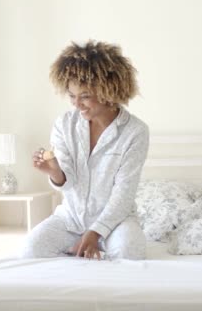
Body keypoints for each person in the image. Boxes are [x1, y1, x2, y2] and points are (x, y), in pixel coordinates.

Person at [21, 40, 149, 260]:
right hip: (70, 219)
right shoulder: (64, 125)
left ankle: (94, 255)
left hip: (116, 222)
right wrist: (54, 171)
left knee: (130, 251)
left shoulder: (135, 132)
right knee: (32, 248)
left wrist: (95, 232)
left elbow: (124, 193)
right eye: (72, 96)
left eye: (85, 96)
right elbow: (67, 181)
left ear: (109, 90)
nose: (76, 104)